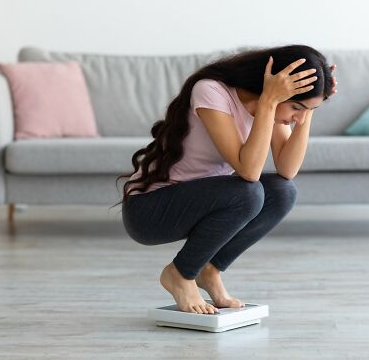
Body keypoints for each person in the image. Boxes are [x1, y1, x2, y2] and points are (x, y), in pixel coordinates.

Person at [115, 45, 337, 314]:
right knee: (249, 192)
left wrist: (308, 108)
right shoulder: (211, 91)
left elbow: (287, 170)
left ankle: (208, 269)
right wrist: (269, 101)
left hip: (202, 201)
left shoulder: (274, 110)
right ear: (274, 88)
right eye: (296, 107)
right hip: (150, 211)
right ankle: (181, 274)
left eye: (306, 110)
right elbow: (249, 171)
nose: (298, 117)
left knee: (283, 191)